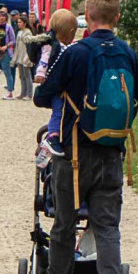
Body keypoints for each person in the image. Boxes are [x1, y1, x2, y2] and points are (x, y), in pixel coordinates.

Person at [34, 0, 138, 274]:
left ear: (87, 17)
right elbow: (133, 103)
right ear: (117, 18)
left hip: (74, 155)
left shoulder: (76, 53)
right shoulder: (127, 54)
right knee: (107, 226)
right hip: (112, 153)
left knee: (64, 224)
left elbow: (42, 97)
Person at [33, 9, 80, 161]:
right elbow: (44, 60)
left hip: (57, 88)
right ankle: (53, 136)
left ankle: (46, 152)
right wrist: (40, 74)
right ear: (71, 31)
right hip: (55, 89)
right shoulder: (53, 47)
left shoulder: (62, 46)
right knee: (59, 112)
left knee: (60, 112)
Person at [12, 14, 35, 100]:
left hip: (26, 57)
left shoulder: (28, 32)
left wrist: (27, 57)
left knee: (27, 75)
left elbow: (30, 46)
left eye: (20, 22)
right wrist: (15, 57)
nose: (18, 24)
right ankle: (23, 93)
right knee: (21, 76)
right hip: (20, 57)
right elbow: (17, 46)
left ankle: (29, 94)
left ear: (25, 23)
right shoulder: (19, 32)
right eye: (18, 22)